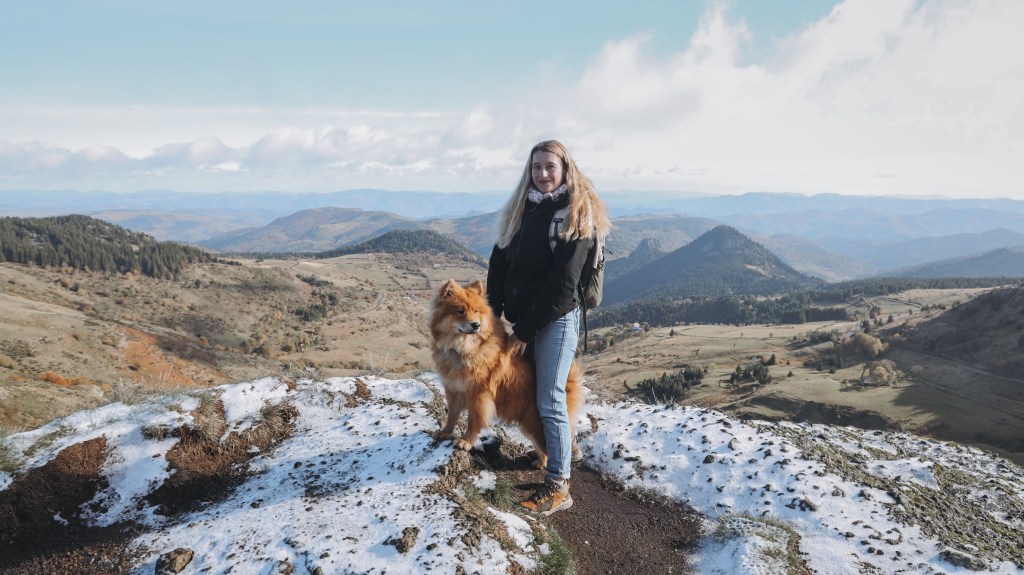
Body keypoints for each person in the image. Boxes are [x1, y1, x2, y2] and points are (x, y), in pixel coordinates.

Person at [486, 140, 611, 515]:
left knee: (549, 398)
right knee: (535, 390)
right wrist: (496, 316)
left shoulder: (575, 214)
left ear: (565, 169)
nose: (542, 174)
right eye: (536, 167)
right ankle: (567, 448)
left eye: (549, 167)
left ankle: (558, 487)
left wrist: (523, 330)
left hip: (556, 319)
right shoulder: (523, 208)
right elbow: (500, 261)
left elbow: (564, 285)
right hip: (524, 321)